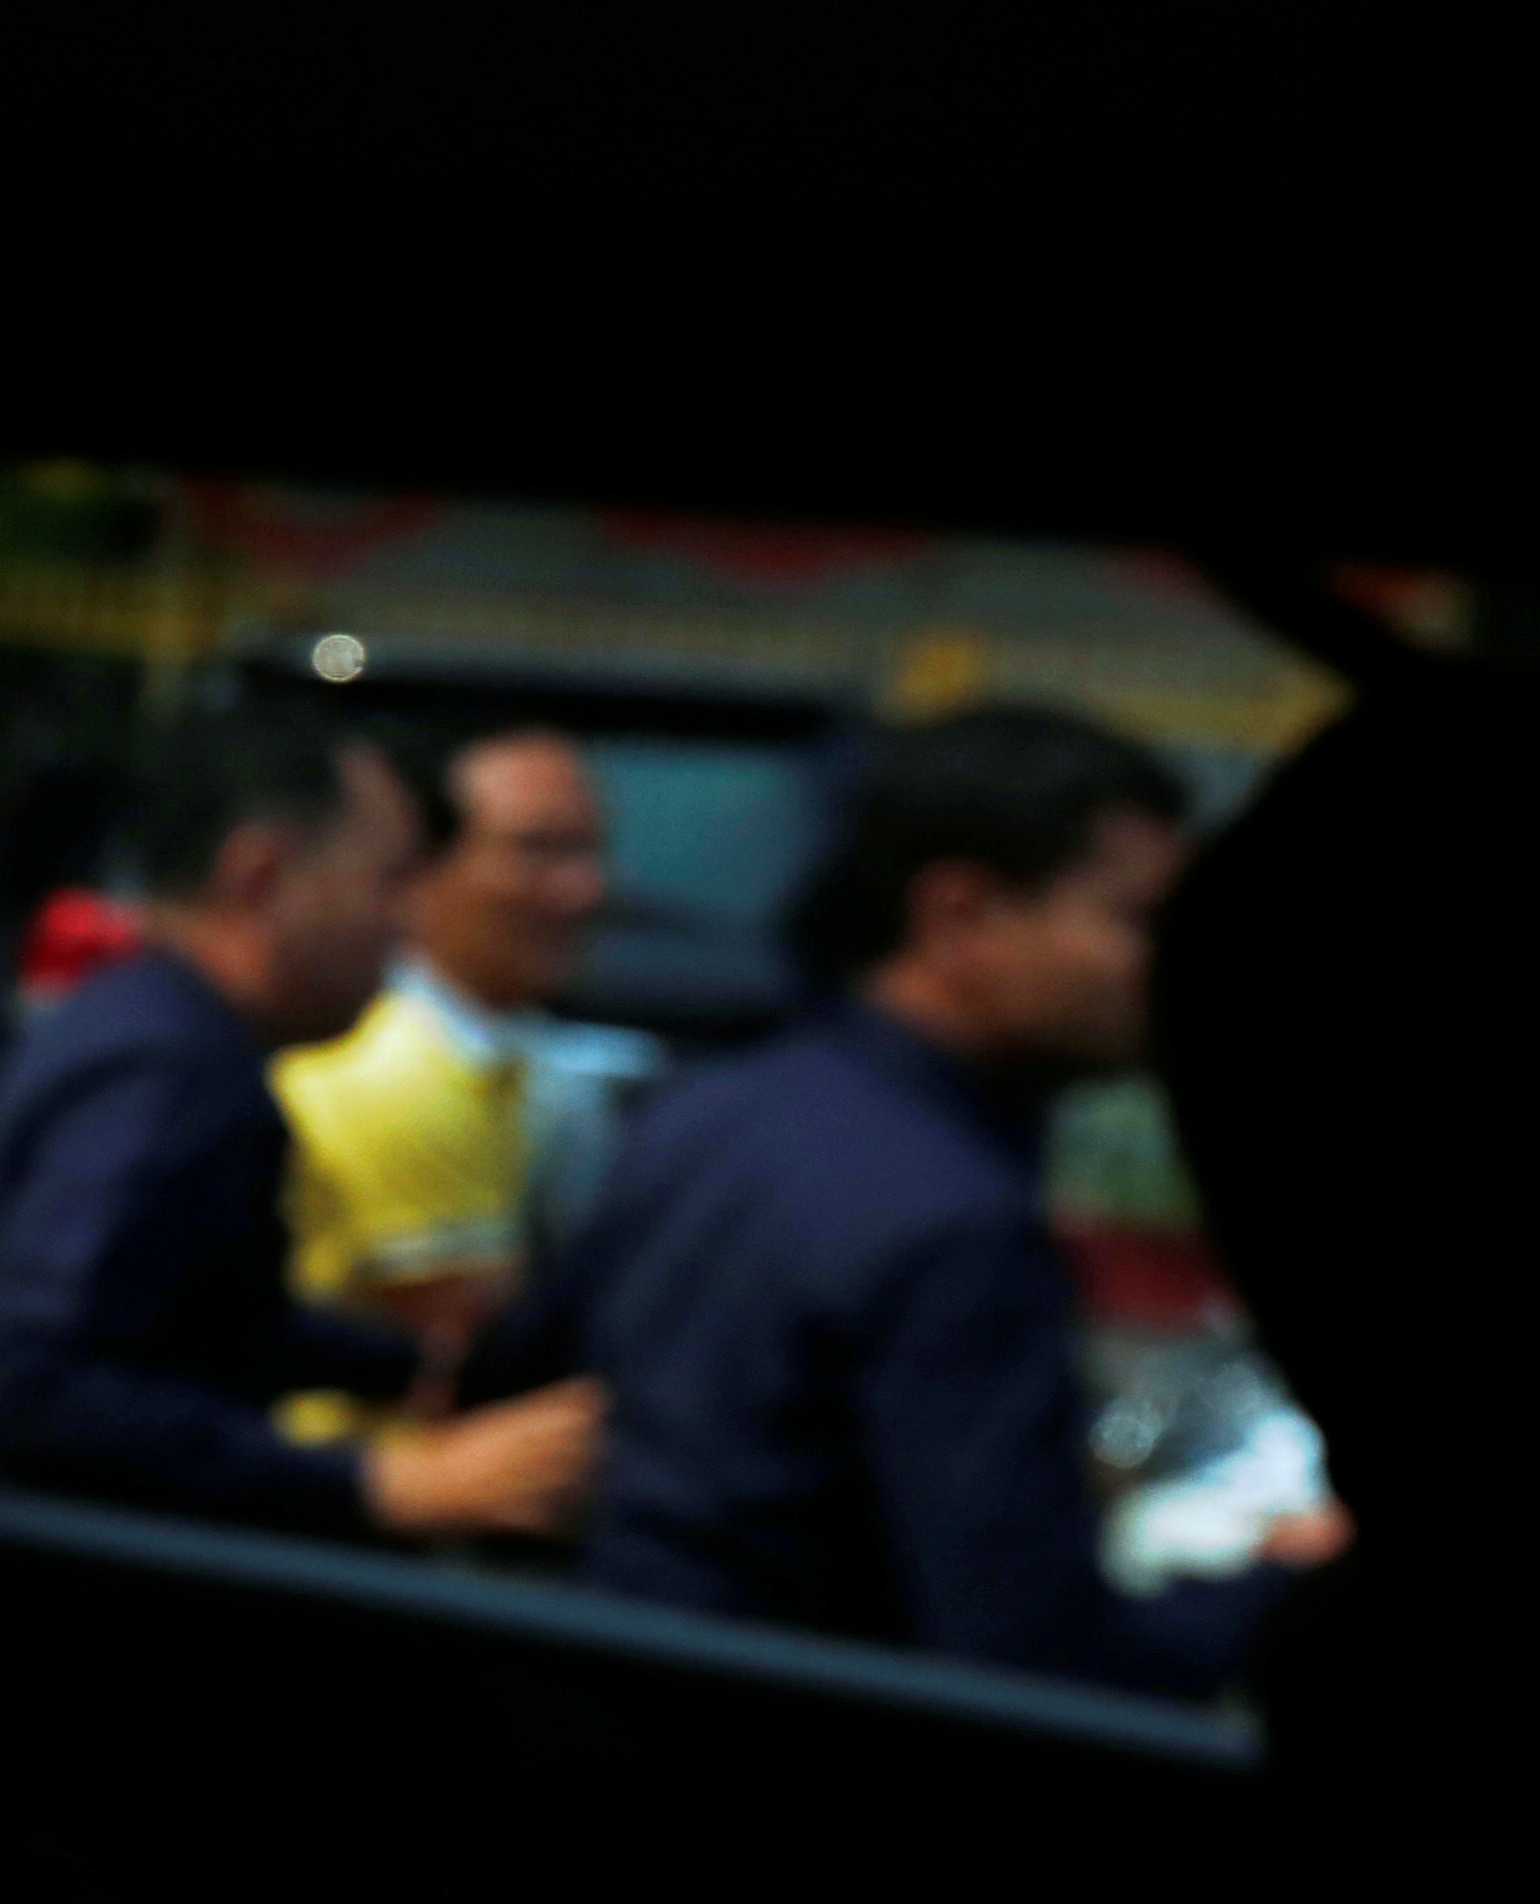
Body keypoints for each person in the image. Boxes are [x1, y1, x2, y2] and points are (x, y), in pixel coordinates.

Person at [564, 702, 1348, 1691]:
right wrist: (1291, 1581)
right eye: (1136, 920)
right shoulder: (955, 1220)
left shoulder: (705, 1108)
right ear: (959, 916)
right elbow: (1032, 1662)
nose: (1169, 963)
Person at [0, 703, 605, 1539]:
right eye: (388, 881)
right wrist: (382, 1483)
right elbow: (39, 1386)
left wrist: (419, 1370)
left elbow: (192, 1327)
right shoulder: (173, 1073)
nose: (408, 920)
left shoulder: (151, 1024)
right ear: (259, 879)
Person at [275, 724, 616, 1357]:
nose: (584, 890)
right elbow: (472, 1353)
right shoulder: (403, 1068)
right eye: (537, 851)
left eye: (592, 851)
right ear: (421, 863)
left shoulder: (488, 1051)